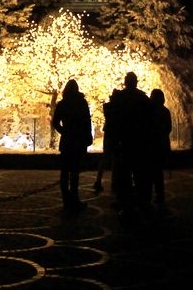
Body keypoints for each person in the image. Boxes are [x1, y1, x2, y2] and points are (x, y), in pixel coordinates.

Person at [104, 71, 151, 217]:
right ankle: (141, 202)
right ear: (136, 82)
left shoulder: (119, 98)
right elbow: (149, 121)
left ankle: (125, 203)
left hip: (124, 142)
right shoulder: (142, 99)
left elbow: (112, 119)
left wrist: (113, 140)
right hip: (138, 142)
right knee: (139, 174)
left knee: (124, 175)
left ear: (125, 82)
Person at [52, 79, 93, 211]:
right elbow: (87, 121)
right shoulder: (81, 103)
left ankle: (66, 200)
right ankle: (74, 199)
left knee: (65, 172)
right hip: (78, 140)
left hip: (67, 140)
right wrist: (88, 137)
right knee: (75, 172)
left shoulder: (62, 104)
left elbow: (55, 122)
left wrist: (63, 131)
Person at [149, 88, 173, 209]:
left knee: (149, 173)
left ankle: (148, 197)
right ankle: (160, 195)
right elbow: (169, 128)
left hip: (151, 146)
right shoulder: (165, 111)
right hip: (161, 145)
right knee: (158, 173)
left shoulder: (149, 112)